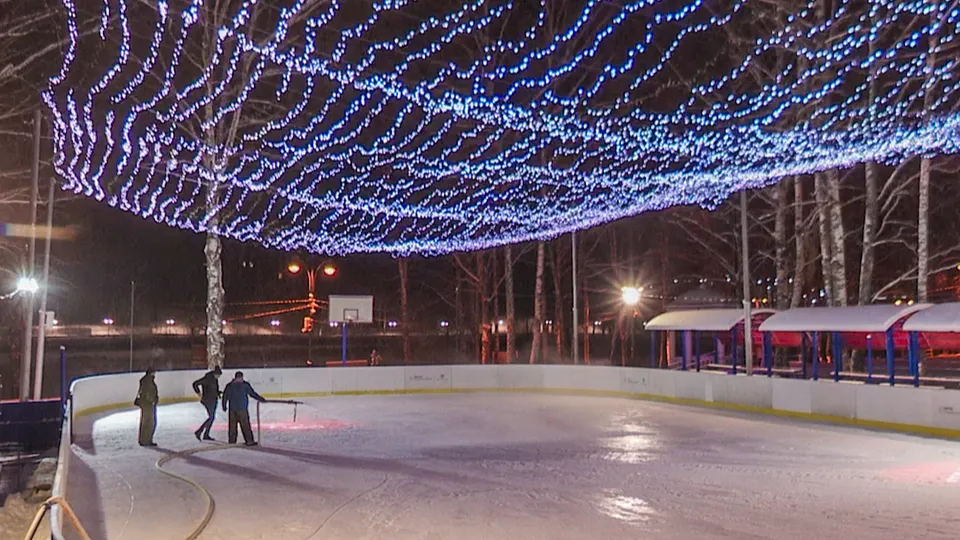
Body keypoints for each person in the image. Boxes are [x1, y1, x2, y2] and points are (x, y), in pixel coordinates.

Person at [221, 371, 267, 446]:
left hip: (234, 409)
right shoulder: (244, 385)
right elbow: (252, 393)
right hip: (240, 409)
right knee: (243, 425)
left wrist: (224, 405)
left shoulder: (230, 385)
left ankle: (233, 441)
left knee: (234, 426)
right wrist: (261, 399)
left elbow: (225, 396)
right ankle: (247, 440)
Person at [192, 366, 223, 441]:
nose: (219, 377)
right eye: (218, 375)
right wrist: (199, 393)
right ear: (215, 373)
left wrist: (218, 393)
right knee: (211, 417)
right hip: (208, 401)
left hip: (213, 400)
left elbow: (214, 389)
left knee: (211, 418)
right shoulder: (207, 378)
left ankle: (206, 434)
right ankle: (199, 431)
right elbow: (195, 384)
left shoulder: (215, 379)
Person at [135, 367, 158, 447]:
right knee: (149, 422)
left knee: (146, 422)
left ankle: (144, 440)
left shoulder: (145, 380)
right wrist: (153, 400)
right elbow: (148, 393)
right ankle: (146, 440)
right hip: (148, 404)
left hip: (145, 403)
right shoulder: (148, 381)